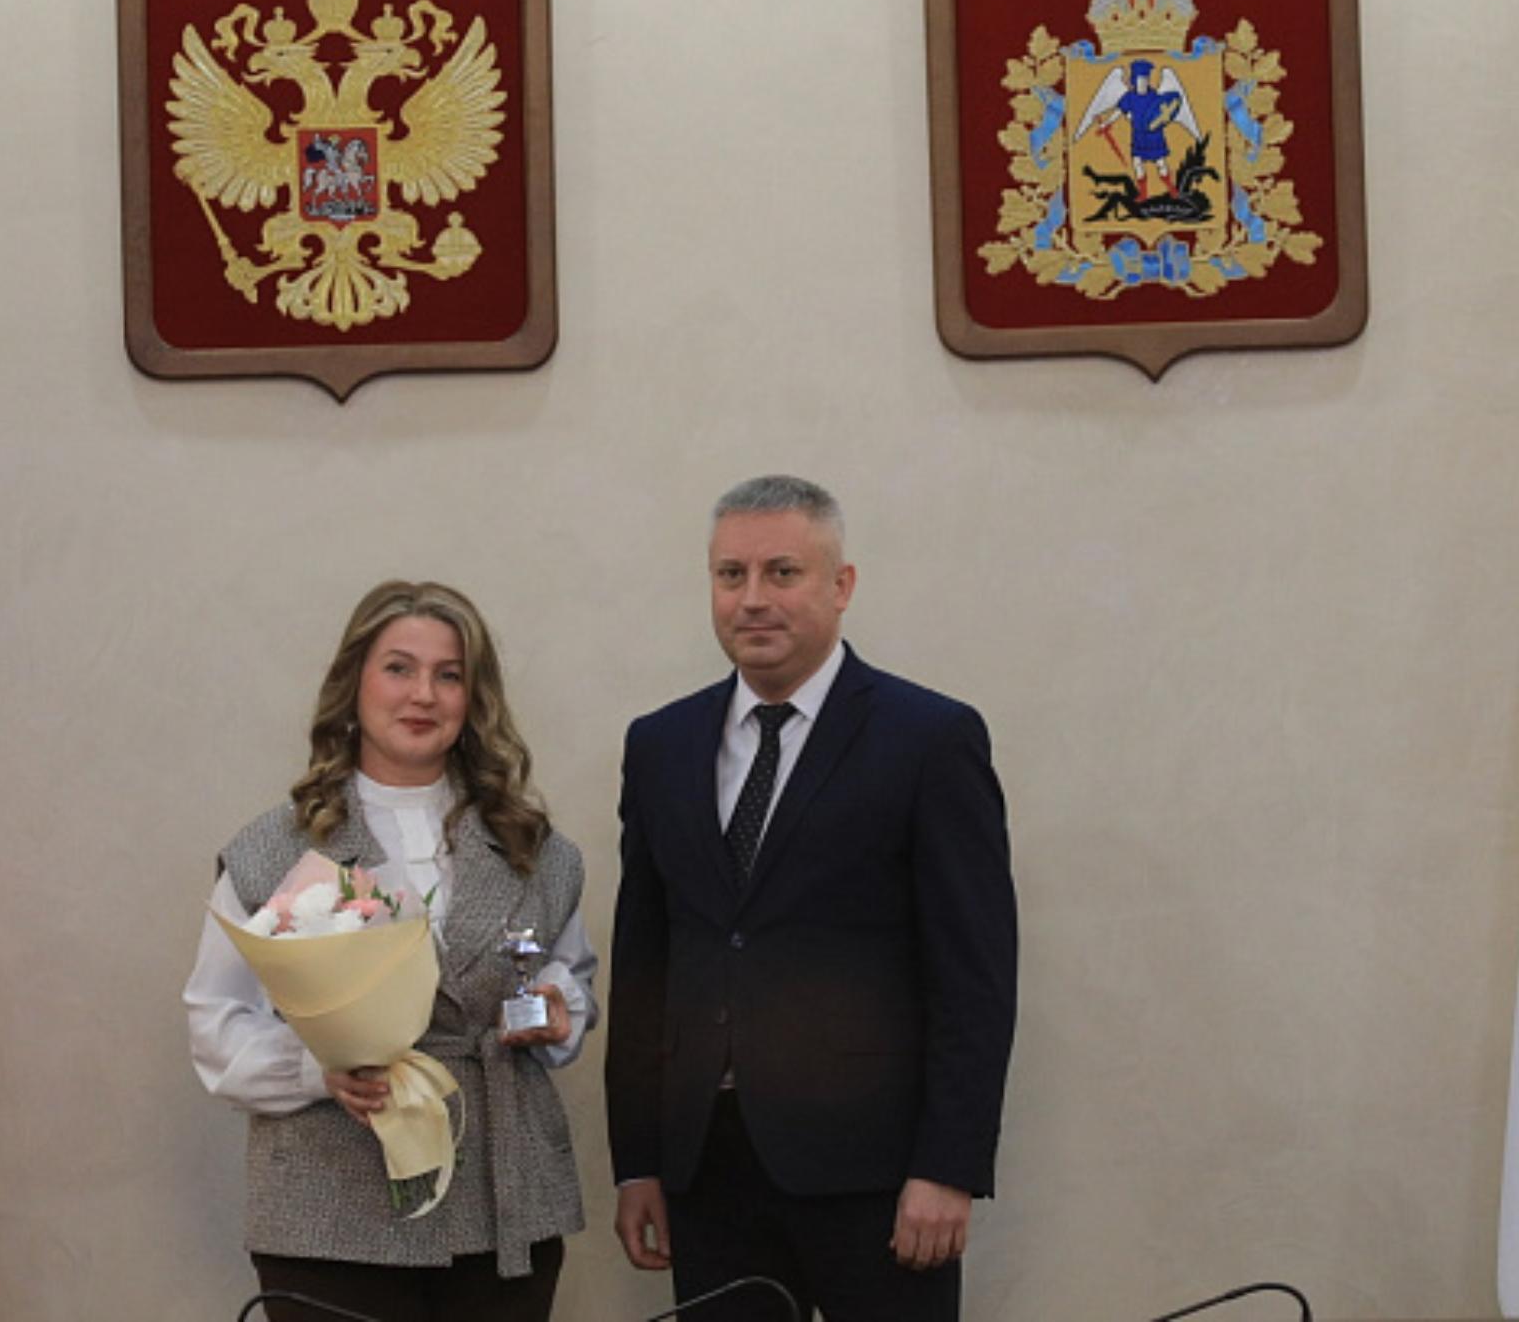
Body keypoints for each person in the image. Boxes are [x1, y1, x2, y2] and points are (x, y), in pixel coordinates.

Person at [606, 476, 1018, 1320]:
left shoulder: (929, 739)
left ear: (841, 585)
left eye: (782, 572)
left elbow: (974, 975)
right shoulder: (660, 745)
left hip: (877, 1177)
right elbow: (645, 963)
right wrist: (638, 1160)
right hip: (707, 1173)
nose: (753, 598)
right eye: (731, 575)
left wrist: (948, 1167)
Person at [185, 580, 595, 1322]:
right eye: (399, 668)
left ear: (474, 698)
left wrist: (562, 1011)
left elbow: (567, 974)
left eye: (449, 675)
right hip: (328, 1209)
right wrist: (316, 1070)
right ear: (354, 685)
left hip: (504, 1201)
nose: (423, 695)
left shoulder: (536, 851)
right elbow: (217, 1021)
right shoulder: (272, 851)